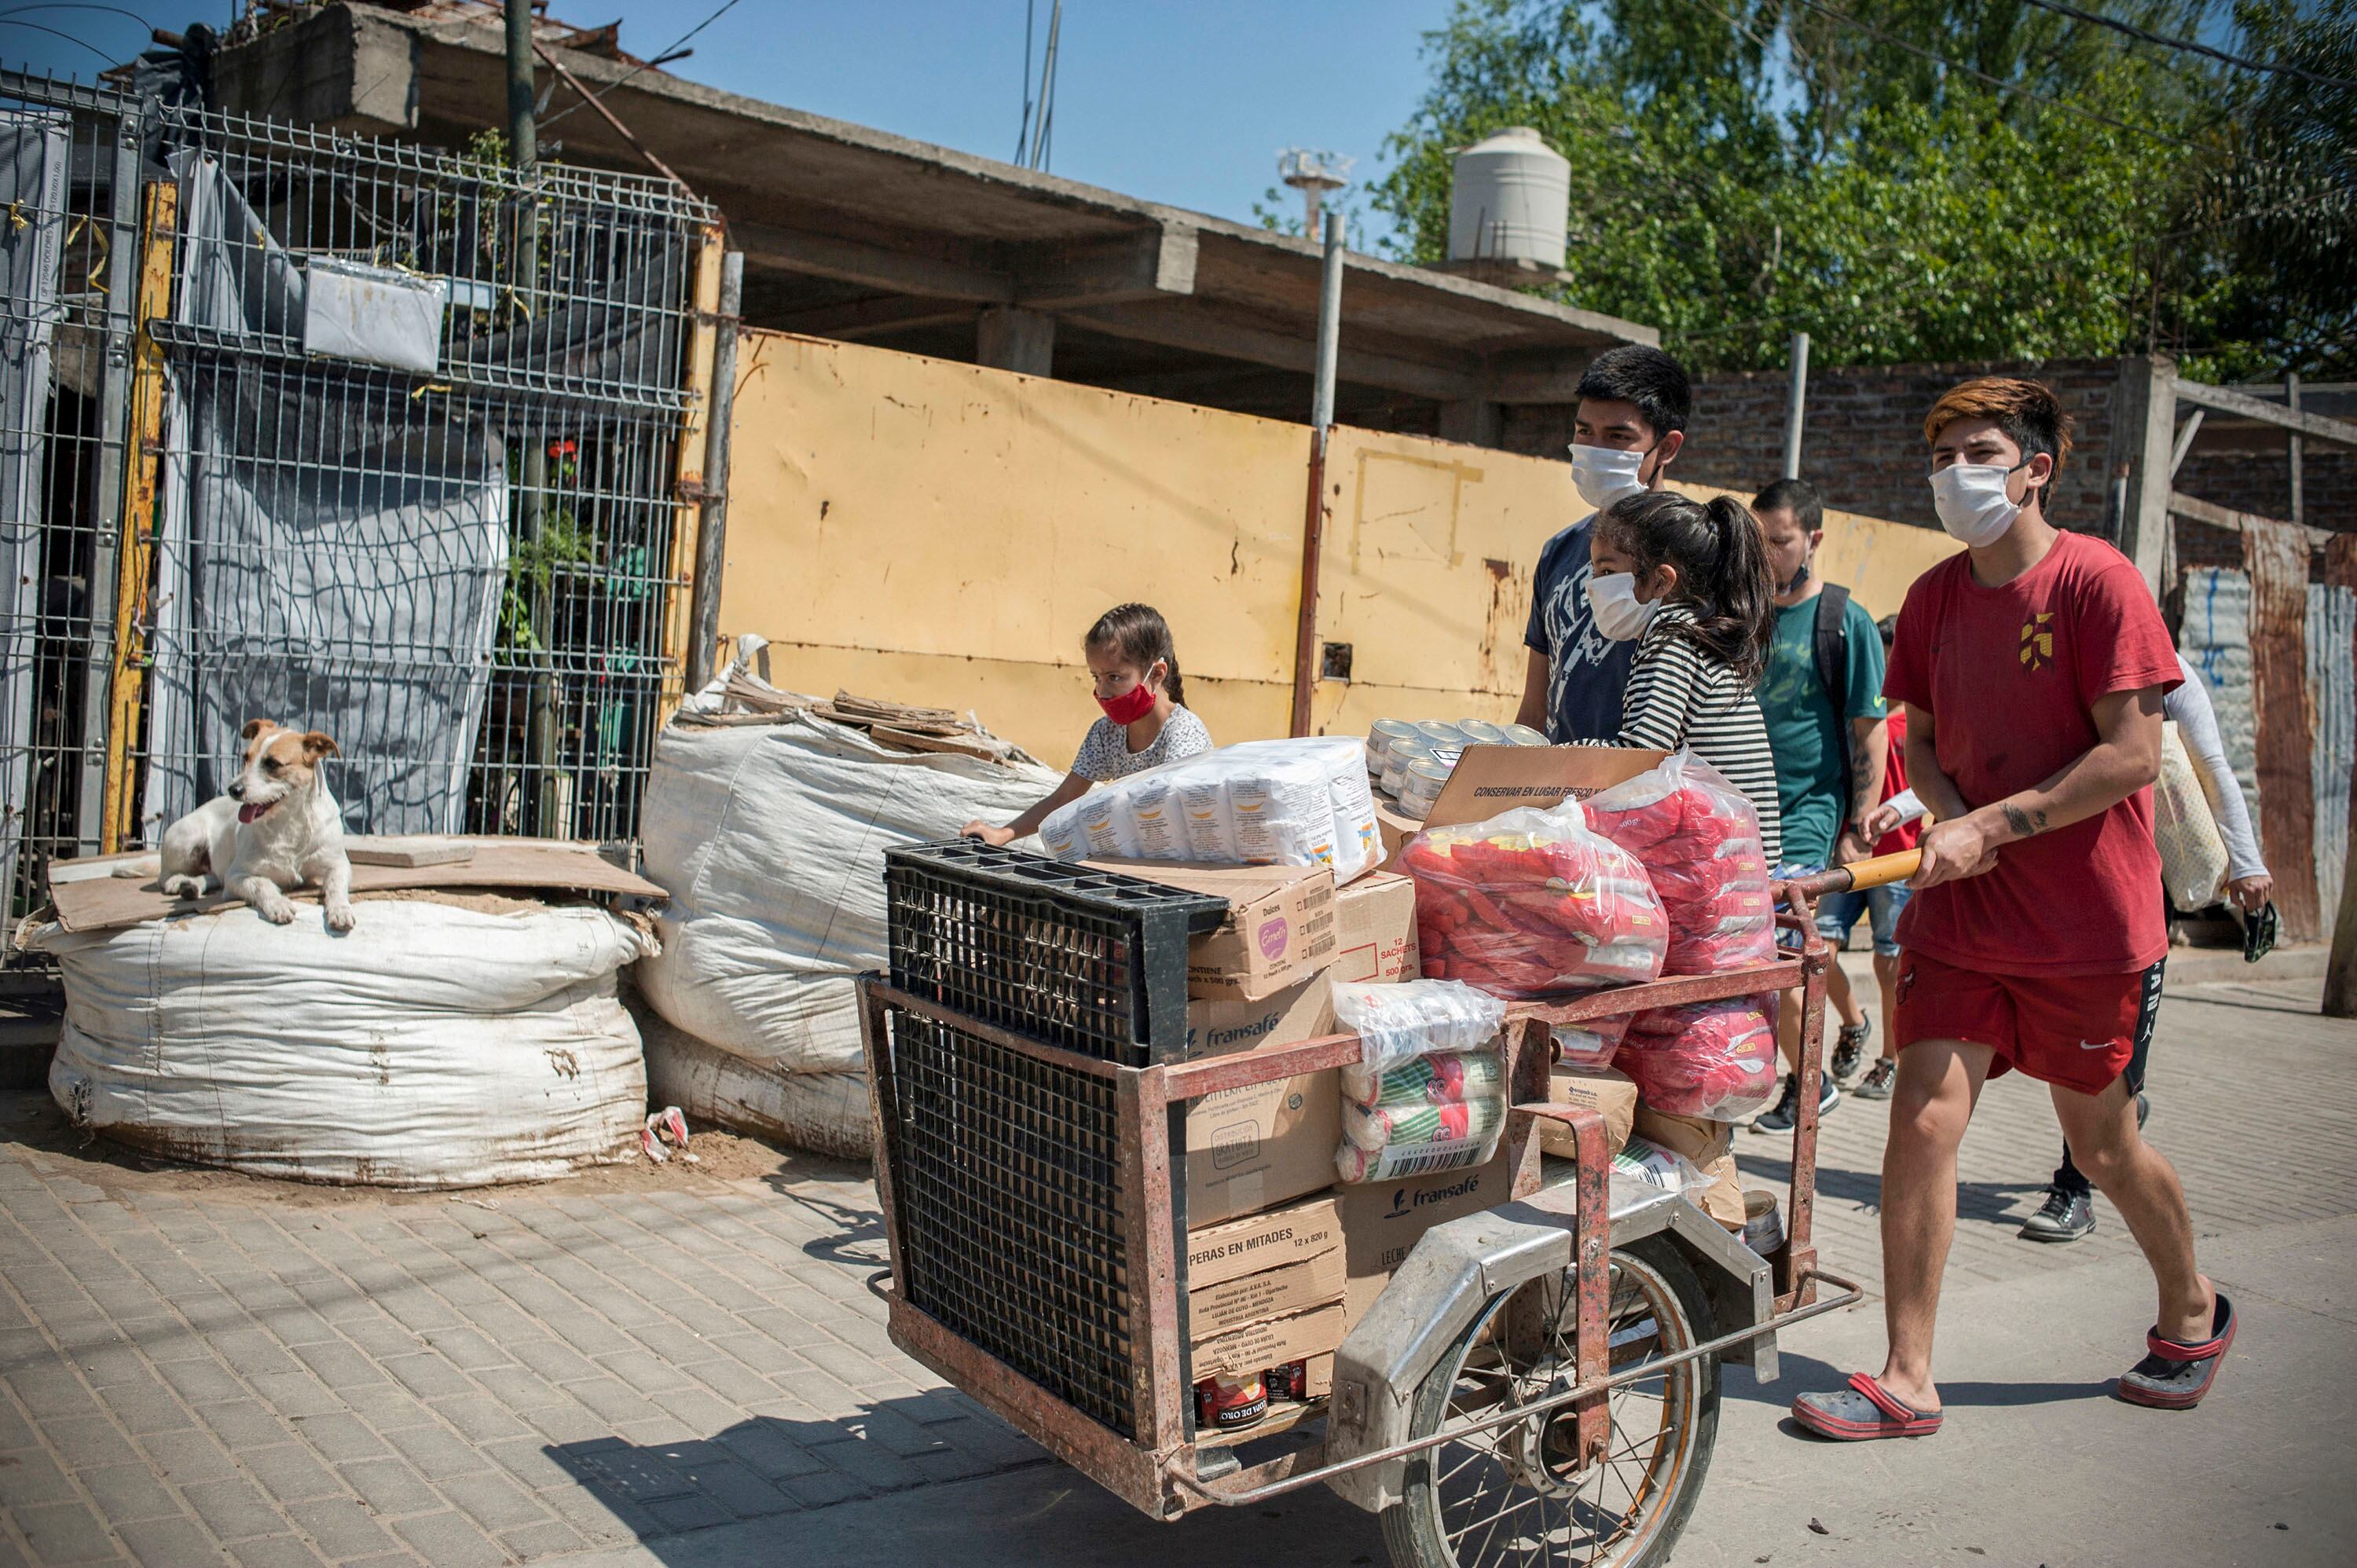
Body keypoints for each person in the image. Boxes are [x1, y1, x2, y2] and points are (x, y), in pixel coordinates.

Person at [1792, 377, 2233, 1445]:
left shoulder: (2098, 581)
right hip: (1963, 918)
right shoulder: (1934, 598)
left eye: (1979, 453)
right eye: (1941, 456)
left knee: (2102, 1146)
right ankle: (1907, 1375)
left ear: (2037, 469)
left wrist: (1990, 825)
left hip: (2086, 923)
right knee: (1921, 1117)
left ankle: (2192, 1308)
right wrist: (1949, 820)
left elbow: (2132, 755)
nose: (1954, 474)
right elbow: (1924, 741)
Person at [2015, 647, 2273, 1242]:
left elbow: (2211, 764)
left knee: (2104, 1054)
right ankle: (2118, 1114)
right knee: (2082, 1058)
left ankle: (2074, 1190)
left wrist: (2247, 862)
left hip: (2135, 890)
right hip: (2056, 887)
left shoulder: (2167, 669)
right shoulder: (2047, 655)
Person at [1749, 478, 1889, 1134]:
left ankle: (1810, 1083)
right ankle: (1816, 1062)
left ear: (1813, 539)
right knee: (1762, 958)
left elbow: (1870, 729)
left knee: (1780, 955)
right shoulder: (1745, 614)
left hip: (1809, 815)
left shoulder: (1845, 622)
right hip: (1742, 818)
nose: (1767, 555)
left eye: (1779, 542)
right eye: (1758, 542)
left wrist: (1860, 825)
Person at [1582, 489, 1783, 861]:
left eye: (1607, 572)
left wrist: (1555, 765)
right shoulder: (1698, 633)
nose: (1592, 586)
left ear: (1661, 582)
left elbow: (1641, 757)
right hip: (1746, 862)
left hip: (1722, 869)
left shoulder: (1671, 640)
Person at [1518, 346, 1692, 743]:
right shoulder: (1558, 551)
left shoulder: (1697, 553)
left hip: (1652, 779)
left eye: (1618, 436)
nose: (1596, 449)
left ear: (1667, 447)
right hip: (1559, 780)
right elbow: (1535, 706)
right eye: (1584, 432)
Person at [961, 603, 1211, 846]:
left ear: (1156, 673)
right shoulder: (1106, 733)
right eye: (1096, 677)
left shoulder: (1184, 733)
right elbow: (1064, 797)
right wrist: (1003, 834)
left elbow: (1174, 810)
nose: (1102, 691)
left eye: (1114, 677)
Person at [1843, 614, 1918, 1104]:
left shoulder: (1919, 724)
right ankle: (1855, 1022)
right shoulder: (1858, 717)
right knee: (1819, 949)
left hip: (1897, 861)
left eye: (1889, 659)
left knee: (1889, 964)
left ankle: (1891, 1059)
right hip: (1851, 852)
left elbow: (1930, 786)